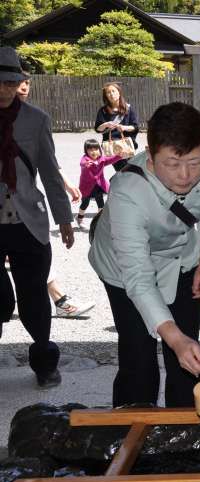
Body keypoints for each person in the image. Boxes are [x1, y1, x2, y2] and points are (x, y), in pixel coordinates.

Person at [89, 102, 200, 407]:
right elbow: (137, 277)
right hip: (124, 269)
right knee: (139, 359)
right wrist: (171, 338)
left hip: (181, 258)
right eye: (172, 164)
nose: (186, 175)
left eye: (194, 161)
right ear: (150, 155)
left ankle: (186, 432)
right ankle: (133, 432)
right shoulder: (128, 192)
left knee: (188, 352)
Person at [0, 47, 75, 387]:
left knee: (34, 296)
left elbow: (49, 172)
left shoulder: (36, 119)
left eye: (11, 82)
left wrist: (64, 218)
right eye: (0, 82)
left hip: (28, 219)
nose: (4, 89)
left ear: (20, 83)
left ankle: (44, 363)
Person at [15, 69, 95, 318]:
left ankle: (60, 301)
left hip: (23, 206)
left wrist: (67, 184)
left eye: (27, 83)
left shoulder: (35, 118)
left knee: (37, 253)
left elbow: (46, 162)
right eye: (18, 82)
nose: (24, 87)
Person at [94, 82, 139, 171]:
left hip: (126, 146)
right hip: (112, 147)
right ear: (106, 96)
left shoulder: (128, 108)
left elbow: (135, 127)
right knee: (122, 171)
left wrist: (124, 127)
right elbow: (98, 129)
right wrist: (106, 124)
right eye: (108, 92)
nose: (111, 94)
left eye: (113, 91)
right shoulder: (103, 111)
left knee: (128, 171)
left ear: (119, 92)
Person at [76, 138, 120, 228]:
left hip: (99, 186)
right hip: (87, 187)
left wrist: (119, 156)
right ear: (86, 151)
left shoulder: (102, 159)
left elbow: (111, 159)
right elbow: (82, 163)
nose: (93, 151)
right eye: (90, 149)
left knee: (101, 203)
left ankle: (99, 221)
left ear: (99, 149)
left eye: (95, 149)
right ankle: (79, 218)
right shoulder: (85, 159)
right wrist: (86, 165)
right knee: (85, 204)